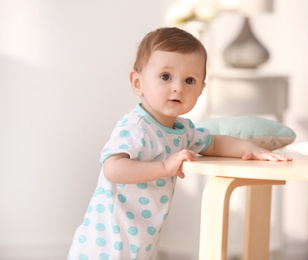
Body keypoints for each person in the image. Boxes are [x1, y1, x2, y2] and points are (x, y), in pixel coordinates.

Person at [67, 27, 292, 260]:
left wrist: (251, 149)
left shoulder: (182, 130)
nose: (178, 87)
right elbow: (112, 169)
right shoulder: (136, 127)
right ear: (137, 82)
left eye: (190, 80)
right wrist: (164, 167)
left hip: (138, 240)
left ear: (201, 89)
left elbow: (213, 143)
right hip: (107, 242)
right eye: (166, 77)